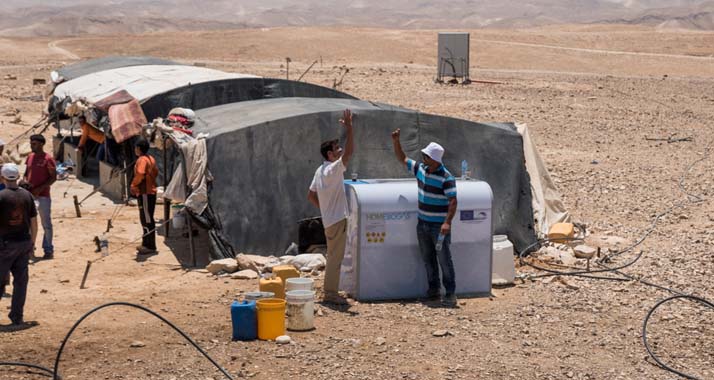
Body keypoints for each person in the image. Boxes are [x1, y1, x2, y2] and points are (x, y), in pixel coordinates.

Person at [390, 129, 458, 306]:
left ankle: (450, 293)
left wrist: (447, 223)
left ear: (435, 160)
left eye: (426, 157)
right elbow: (402, 158)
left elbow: (453, 201)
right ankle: (433, 291)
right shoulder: (421, 169)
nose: (423, 159)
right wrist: (396, 141)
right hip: (423, 224)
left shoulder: (446, 177)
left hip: (438, 227)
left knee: (444, 259)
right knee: (428, 258)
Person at [307, 109, 354, 305]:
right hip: (337, 220)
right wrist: (350, 129)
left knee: (333, 256)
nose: (340, 149)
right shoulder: (333, 169)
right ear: (330, 153)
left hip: (329, 220)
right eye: (336, 148)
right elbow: (350, 152)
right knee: (335, 258)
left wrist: (325, 210)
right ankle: (330, 293)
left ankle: (330, 290)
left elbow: (311, 195)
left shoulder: (320, 170)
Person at [0, 164, 38, 325]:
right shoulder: (27, 196)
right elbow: (34, 223)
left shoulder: (1, 196)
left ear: (2, 178)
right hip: (23, 243)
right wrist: (32, 244)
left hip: (4, 246)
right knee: (21, 283)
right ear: (17, 177)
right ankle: (17, 317)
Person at [23, 134, 56, 260]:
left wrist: (40, 188)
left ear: (41, 144)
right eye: (31, 143)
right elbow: (27, 173)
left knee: (46, 224)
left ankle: (48, 249)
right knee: (30, 224)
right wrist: (24, 181)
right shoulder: (30, 157)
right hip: (30, 195)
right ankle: (30, 249)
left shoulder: (48, 159)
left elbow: (53, 178)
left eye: (34, 143)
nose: (32, 145)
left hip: (43, 196)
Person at [130, 137, 159, 256]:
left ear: (138, 148)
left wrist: (134, 184)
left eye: (136, 148)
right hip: (150, 191)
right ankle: (146, 243)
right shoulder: (151, 158)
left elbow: (141, 173)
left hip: (145, 193)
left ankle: (149, 245)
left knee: (146, 219)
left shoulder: (142, 160)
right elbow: (156, 172)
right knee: (147, 218)